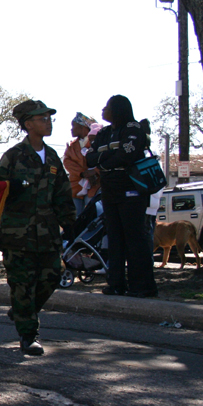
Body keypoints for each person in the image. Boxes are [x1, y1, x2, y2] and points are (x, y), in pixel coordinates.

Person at [0, 100, 76, 356]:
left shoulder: (51, 157)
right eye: (42, 119)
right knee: (22, 284)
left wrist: (70, 223)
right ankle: (28, 335)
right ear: (28, 125)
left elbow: (62, 193)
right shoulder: (14, 155)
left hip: (47, 233)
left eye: (49, 118)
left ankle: (21, 311)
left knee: (50, 278)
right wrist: (10, 188)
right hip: (18, 235)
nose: (47, 122)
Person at [86, 95, 157, 298]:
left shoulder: (133, 129)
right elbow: (89, 158)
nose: (103, 109)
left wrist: (104, 161)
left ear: (117, 109)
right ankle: (116, 284)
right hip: (109, 190)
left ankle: (142, 286)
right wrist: (108, 158)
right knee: (114, 238)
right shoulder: (105, 132)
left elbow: (127, 155)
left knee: (134, 238)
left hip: (131, 190)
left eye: (107, 107)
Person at [63, 112, 102, 216]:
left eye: (73, 126)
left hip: (95, 185)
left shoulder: (97, 143)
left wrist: (94, 172)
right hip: (76, 186)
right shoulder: (72, 146)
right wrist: (83, 173)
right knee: (75, 218)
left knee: (92, 215)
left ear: (82, 127)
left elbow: (104, 160)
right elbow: (67, 161)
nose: (71, 129)